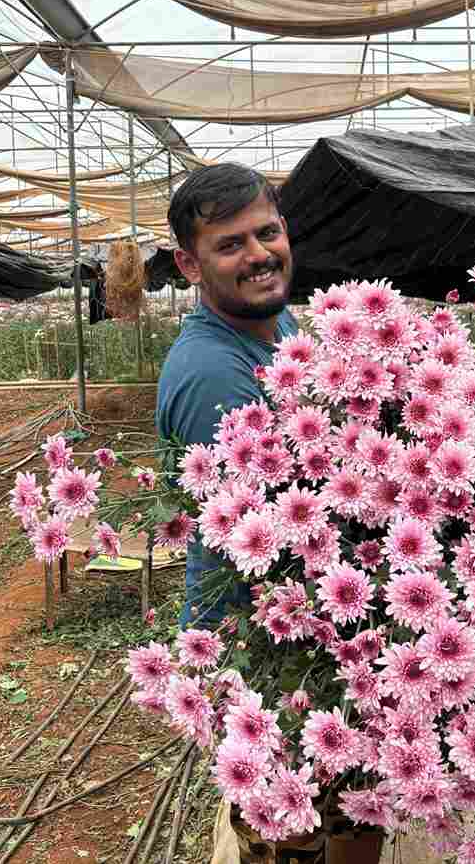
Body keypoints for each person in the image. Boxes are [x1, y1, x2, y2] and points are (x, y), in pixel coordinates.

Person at [154, 162, 298, 630]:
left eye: (267, 233)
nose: (259, 255)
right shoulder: (212, 371)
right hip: (246, 632)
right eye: (231, 244)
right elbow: (264, 528)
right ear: (190, 265)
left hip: (285, 608)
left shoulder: (280, 323)